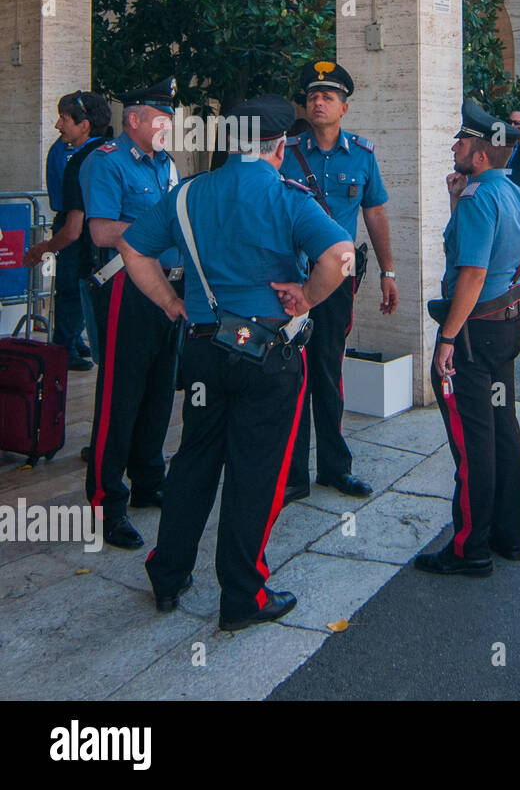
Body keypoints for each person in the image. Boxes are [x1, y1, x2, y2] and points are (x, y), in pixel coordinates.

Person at [118, 95, 351, 629]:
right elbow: (339, 256)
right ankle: (244, 594)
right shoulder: (287, 195)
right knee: (255, 472)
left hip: (202, 348)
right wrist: (307, 298)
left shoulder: (188, 194)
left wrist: (172, 303)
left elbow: (133, 249)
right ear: (279, 145)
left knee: (195, 458)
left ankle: (168, 573)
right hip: (267, 354)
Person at [415, 99, 520, 577]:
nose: (455, 146)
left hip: (473, 334)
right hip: (505, 325)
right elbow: (494, 256)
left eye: (462, 141)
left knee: (473, 441)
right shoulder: (511, 193)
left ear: (481, 154)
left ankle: (470, 549)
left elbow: (472, 272)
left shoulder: (478, 198)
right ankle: (510, 536)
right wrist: (453, 200)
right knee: (504, 430)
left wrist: (447, 338)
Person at [280, 61, 398, 502]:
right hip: (292, 277)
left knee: (327, 370)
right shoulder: (287, 151)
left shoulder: (363, 155)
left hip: (337, 282)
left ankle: (333, 467)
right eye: (312, 96)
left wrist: (388, 271)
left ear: (344, 108)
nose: (318, 102)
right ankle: (292, 473)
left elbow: (375, 214)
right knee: (291, 370)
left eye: (327, 97)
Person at [79, 77, 183, 550]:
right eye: (161, 117)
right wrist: (162, 233)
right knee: (120, 397)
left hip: (165, 288)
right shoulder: (107, 163)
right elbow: (100, 232)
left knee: (160, 390)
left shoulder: (168, 165)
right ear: (134, 119)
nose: (169, 125)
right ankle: (106, 502)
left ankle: (147, 479)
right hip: (124, 287)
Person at [23, 92, 114, 371]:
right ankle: (73, 339)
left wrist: (42, 248)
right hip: (100, 240)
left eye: (64, 118)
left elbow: (70, 222)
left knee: (71, 289)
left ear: (84, 124)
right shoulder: (112, 152)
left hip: (78, 235)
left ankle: (64, 345)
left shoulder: (80, 161)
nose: (58, 126)